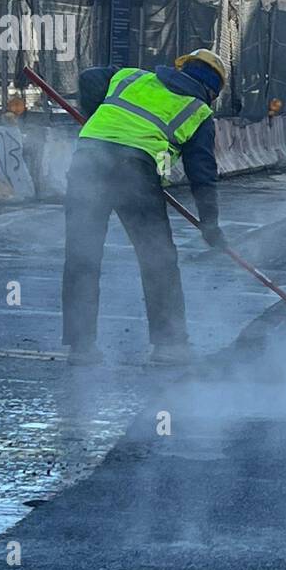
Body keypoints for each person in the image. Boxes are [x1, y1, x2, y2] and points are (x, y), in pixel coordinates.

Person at [61, 49, 229, 366]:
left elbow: (89, 78)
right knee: (158, 260)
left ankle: (81, 348)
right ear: (212, 91)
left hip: (87, 162)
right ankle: (169, 348)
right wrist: (210, 224)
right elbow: (202, 175)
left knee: (82, 257)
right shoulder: (198, 111)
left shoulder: (131, 76)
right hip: (135, 173)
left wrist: (95, 114)